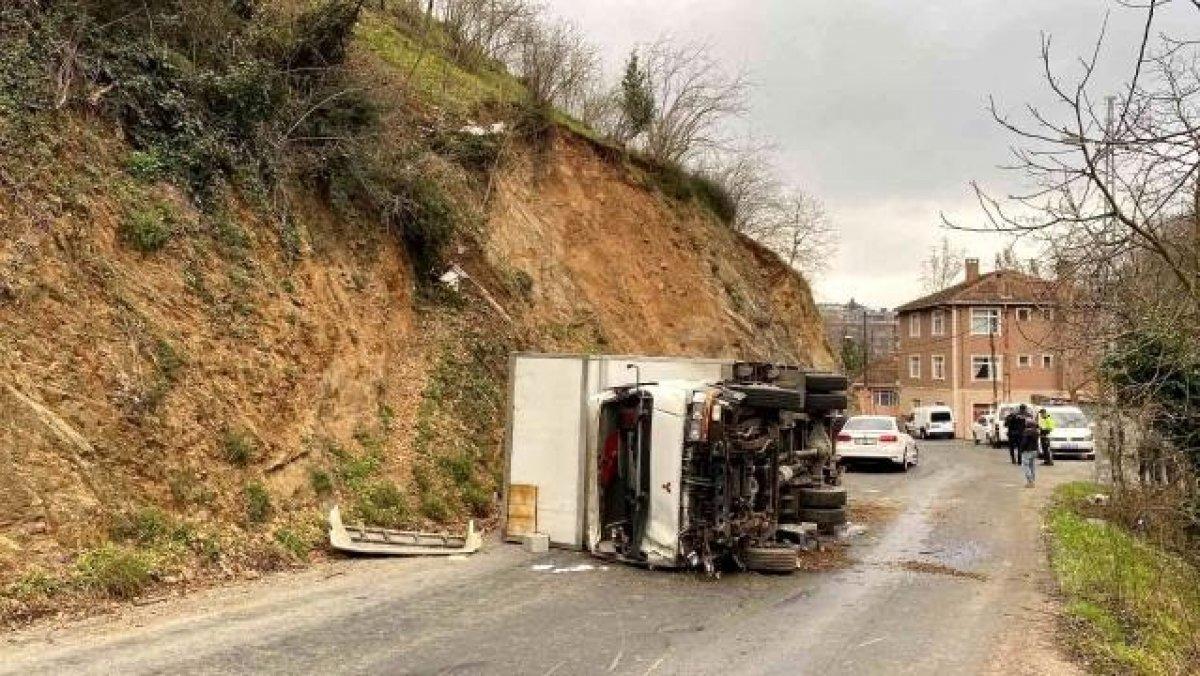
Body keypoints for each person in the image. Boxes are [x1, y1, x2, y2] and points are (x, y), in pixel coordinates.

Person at [1019, 405, 1041, 487]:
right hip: (1034, 450)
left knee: (1025, 466)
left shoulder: (1026, 432)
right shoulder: (1036, 432)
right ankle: (1032, 480)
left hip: (1027, 451)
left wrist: (1021, 449)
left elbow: (1024, 442)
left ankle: (1030, 481)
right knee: (1032, 466)